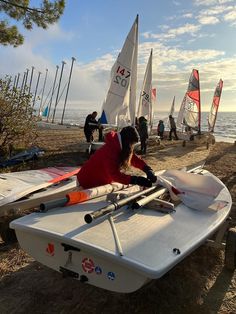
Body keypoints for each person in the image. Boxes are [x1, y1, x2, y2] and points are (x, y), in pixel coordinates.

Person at [77, 126, 157, 189]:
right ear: (127, 141)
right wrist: (135, 180)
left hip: (100, 180)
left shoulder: (119, 145)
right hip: (86, 182)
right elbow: (114, 175)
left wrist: (147, 169)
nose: (132, 147)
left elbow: (133, 158)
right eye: (132, 144)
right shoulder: (111, 150)